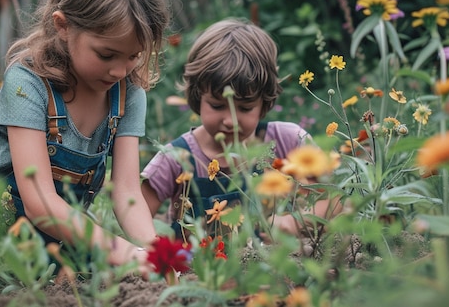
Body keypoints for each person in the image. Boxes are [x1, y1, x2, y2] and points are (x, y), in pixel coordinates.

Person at [0, 0, 170, 272]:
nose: (120, 71)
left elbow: (126, 192)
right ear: (64, 26)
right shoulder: (28, 83)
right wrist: (121, 252)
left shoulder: (128, 94)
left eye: (134, 56)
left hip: (63, 242)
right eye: (106, 55)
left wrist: (155, 253)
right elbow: (38, 202)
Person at [140, 18, 340, 240]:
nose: (230, 121)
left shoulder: (288, 141)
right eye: (217, 105)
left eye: (244, 108)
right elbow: (135, 212)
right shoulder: (177, 157)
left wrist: (293, 223)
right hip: (199, 272)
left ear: (264, 103)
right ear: (197, 97)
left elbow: (333, 201)